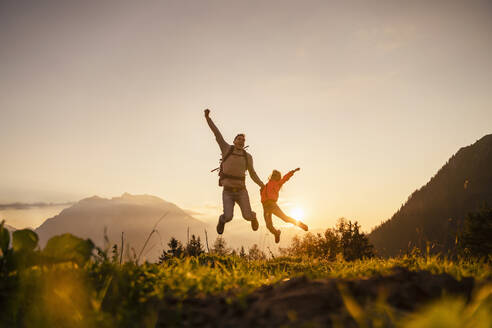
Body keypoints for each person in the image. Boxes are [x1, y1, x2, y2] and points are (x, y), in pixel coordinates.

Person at [204, 109, 265, 235]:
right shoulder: (226, 149)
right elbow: (217, 134)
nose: (241, 141)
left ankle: (253, 217)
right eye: (239, 139)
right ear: (234, 141)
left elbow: (253, 174)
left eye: (243, 140)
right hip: (228, 192)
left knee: (247, 216)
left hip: (242, 191)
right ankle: (221, 220)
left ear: (244, 143)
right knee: (228, 217)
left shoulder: (247, 156)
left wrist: (262, 184)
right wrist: (207, 118)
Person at [261, 168, 308, 243]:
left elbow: (285, 178)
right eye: (273, 175)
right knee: (269, 226)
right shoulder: (266, 185)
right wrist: (261, 192)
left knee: (285, 219)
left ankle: (300, 224)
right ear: (271, 176)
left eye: (275, 175)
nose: (274, 176)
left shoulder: (278, 183)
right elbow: (263, 197)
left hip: (272, 205)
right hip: (265, 207)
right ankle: (276, 233)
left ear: (278, 177)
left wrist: (293, 172)